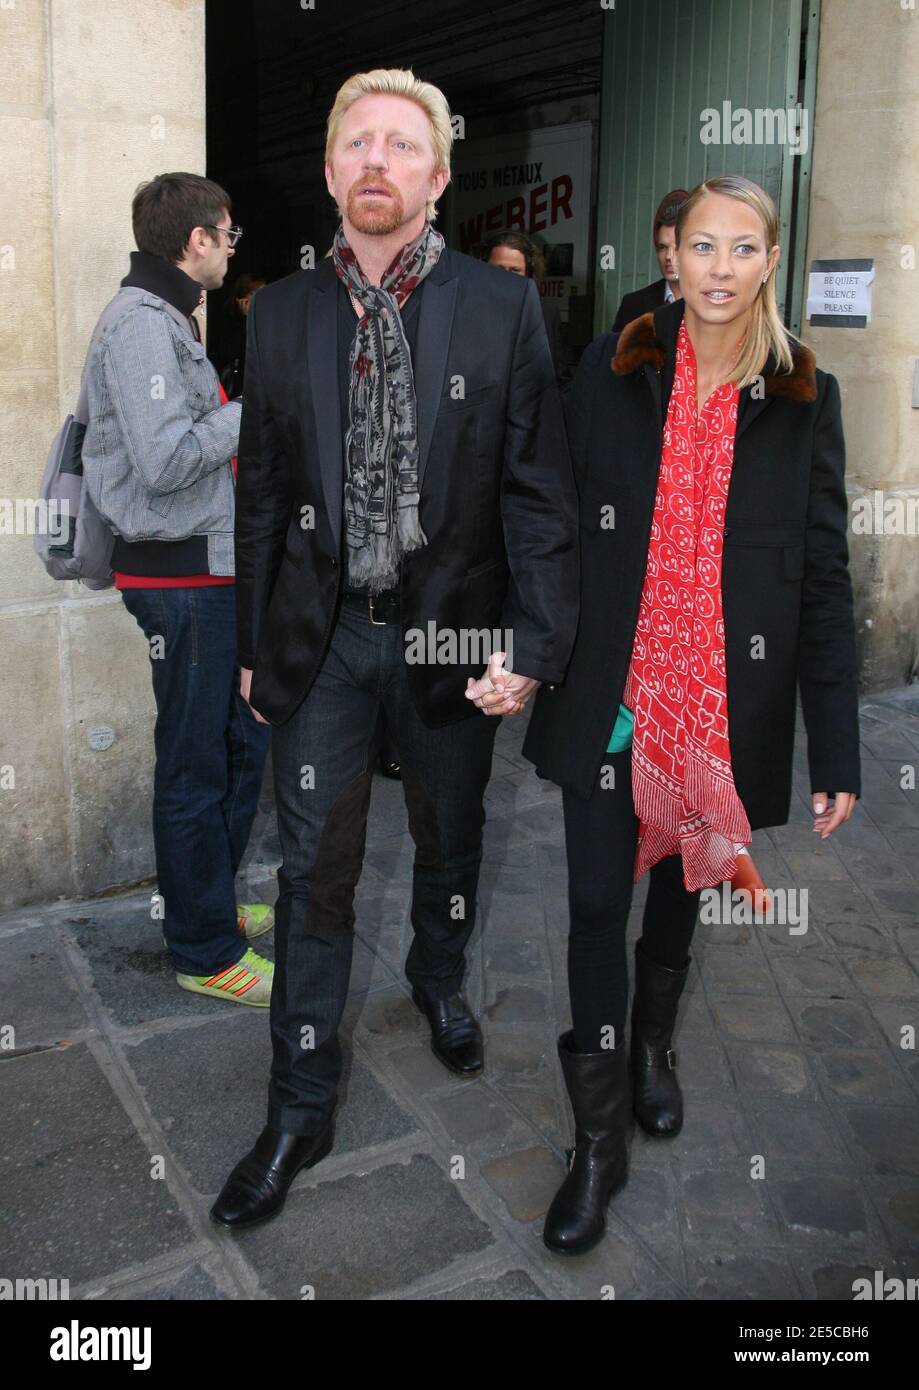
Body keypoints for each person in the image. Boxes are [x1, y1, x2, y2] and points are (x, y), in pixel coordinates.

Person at [211, 68, 578, 1231]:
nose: (377, 161)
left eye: (401, 145)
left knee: (450, 838)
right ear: (331, 173)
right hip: (321, 645)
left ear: (436, 174)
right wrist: (252, 647)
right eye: (356, 143)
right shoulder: (279, 315)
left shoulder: (497, 307)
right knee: (311, 874)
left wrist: (534, 637)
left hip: (453, 635)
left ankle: (435, 977)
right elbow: (262, 496)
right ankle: (299, 1106)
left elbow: (537, 492)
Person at [523, 174, 860, 1255]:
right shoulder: (617, 365)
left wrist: (836, 743)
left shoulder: (805, 394)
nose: (717, 267)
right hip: (609, 693)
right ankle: (596, 1136)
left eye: (740, 247)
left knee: (679, 881)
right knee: (588, 902)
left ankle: (651, 1051)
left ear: (770, 260)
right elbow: (556, 516)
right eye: (699, 245)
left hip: (721, 699)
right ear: (672, 255)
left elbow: (820, 576)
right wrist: (524, 649)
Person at [82, 172, 275, 1006]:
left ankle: (212, 908)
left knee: (241, 744)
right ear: (195, 239)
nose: (233, 250)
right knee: (195, 764)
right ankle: (203, 949)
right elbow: (162, 462)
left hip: (208, 571)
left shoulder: (168, 321)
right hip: (181, 578)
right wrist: (259, 405)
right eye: (227, 235)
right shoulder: (139, 326)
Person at [483, 229, 570, 385]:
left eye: (515, 270)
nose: (506, 277)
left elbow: (559, 378)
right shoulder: (464, 310)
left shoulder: (547, 312)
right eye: (498, 269)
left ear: (529, 274)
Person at [611, 187, 688, 332]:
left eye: (677, 247)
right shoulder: (633, 305)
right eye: (662, 247)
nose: (668, 257)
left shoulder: (710, 301)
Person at [213, 270, 267, 399]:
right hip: (238, 386)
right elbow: (237, 351)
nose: (259, 298)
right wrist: (245, 319)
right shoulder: (229, 319)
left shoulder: (265, 318)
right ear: (241, 297)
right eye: (253, 293)